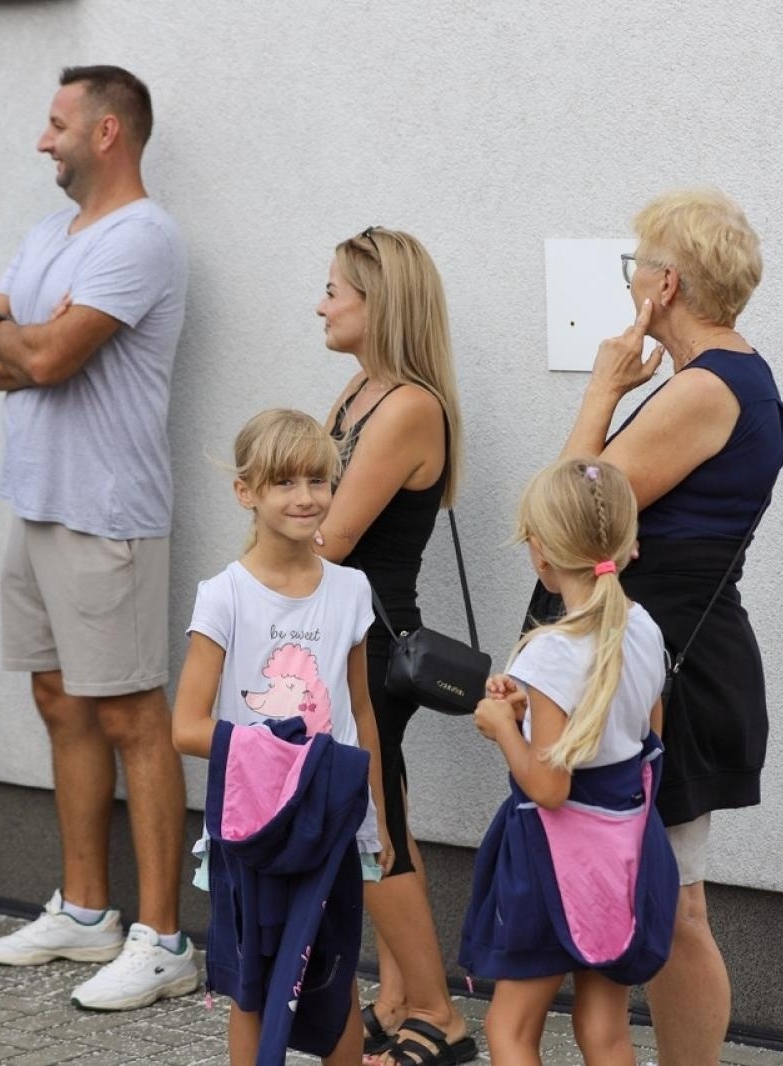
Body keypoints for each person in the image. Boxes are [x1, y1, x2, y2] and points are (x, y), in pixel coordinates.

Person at [0, 65, 194, 1011]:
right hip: (38, 500)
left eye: (56, 124)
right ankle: (88, 911)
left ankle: (167, 940)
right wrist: (20, 339)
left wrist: (19, 337)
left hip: (109, 513)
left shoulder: (143, 237)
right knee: (60, 701)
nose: (41, 140)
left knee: (136, 716)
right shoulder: (51, 233)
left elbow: (47, 355)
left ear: (107, 133)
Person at [544, 187, 783, 1064]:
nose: (630, 278)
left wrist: (605, 386)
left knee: (676, 903)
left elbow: (570, 513)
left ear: (667, 284)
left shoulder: (710, 385)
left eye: (635, 264)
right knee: (666, 895)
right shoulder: (719, 378)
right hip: (668, 656)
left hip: (667, 666)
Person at [173, 409, 391, 1065]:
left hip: (332, 826)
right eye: (284, 482)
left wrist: (373, 814)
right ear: (247, 492)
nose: (305, 497)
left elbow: (360, 711)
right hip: (253, 830)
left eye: (318, 480)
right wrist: (281, 758)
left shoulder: (352, 590)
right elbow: (185, 726)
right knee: (252, 989)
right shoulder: (224, 596)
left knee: (337, 980)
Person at [312, 227, 474, 1064]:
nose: (321, 303)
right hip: (341, 640)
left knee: (374, 825)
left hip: (369, 646)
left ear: (380, 303)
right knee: (377, 819)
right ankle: (405, 993)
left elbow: (329, 537)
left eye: (335, 290)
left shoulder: (408, 406)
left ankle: (440, 1016)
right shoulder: (356, 394)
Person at [460, 459, 677, 1066]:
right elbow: (645, 732)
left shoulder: (549, 653)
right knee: (605, 1027)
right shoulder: (644, 629)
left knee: (511, 1027)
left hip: (548, 861)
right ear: (628, 544)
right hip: (621, 856)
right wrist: (539, 707)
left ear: (540, 552)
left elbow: (550, 788)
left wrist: (505, 725)